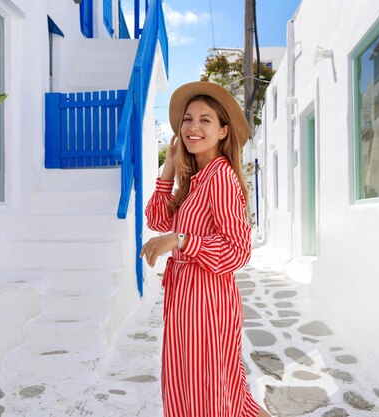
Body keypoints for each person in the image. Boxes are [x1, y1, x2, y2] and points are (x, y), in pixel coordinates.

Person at [141, 81, 271, 417]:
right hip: (184, 294)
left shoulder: (220, 177)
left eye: (205, 120)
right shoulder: (196, 178)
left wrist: (181, 240)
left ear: (224, 131)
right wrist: (169, 166)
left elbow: (238, 249)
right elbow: (156, 218)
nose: (193, 127)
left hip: (208, 296)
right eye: (187, 119)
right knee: (188, 381)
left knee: (209, 386)